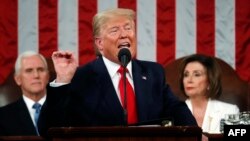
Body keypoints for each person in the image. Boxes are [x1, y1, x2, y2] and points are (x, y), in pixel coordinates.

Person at [44, 8, 197, 130]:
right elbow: (48, 128)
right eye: (115, 30)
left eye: (128, 28)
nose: (124, 35)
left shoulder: (153, 73)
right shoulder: (82, 77)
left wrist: (195, 133)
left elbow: (177, 109)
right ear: (100, 43)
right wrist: (63, 81)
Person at [179, 54, 239, 133]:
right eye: (186, 75)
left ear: (210, 81)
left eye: (197, 74)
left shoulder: (230, 111)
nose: (189, 80)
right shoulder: (172, 113)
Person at [0, 51, 49, 136]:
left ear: (47, 77)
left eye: (40, 70)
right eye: (29, 71)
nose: (36, 75)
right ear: (18, 79)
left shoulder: (67, 111)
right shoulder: (2, 116)